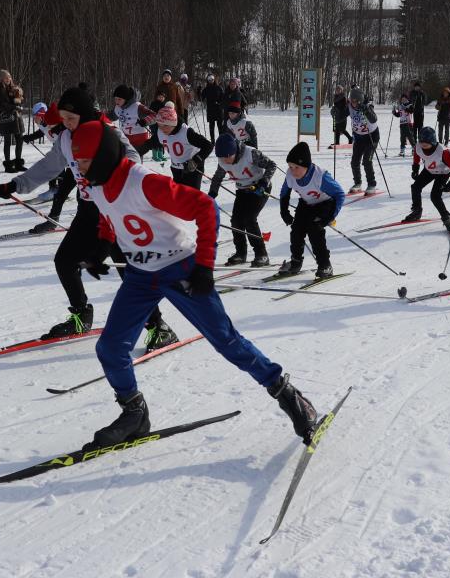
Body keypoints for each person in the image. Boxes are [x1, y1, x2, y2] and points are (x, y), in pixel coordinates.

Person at [66, 120, 320, 450]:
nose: (79, 168)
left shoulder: (143, 181)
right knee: (110, 348)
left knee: (226, 341)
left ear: (101, 156)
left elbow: (206, 208)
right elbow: (108, 216)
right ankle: (134, 414)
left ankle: (289, 395)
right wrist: (101, 248)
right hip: (141, 276)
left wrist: (203, 266)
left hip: (180, 268)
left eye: (84, 160)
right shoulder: (96, 185)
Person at [0, 86, 178, 350]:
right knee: (65, 261)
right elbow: (49, 166)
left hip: (115, 210)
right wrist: (15, 185)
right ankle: (81, 316)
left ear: (85, 115)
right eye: (63, 119)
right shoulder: (67, 138)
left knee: (128, 272)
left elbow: (133, 159)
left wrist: (110, 171)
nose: (65, 124)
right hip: (88, 209)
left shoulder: (107, 131)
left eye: (70, 118)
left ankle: (160, 328)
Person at [278, 141, 345, 279]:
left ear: (306, 166)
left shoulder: (320, 177)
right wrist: (284, 211)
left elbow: (340, 194)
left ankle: (325, 265)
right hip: (306, 203)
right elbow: (284, 193)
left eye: (296, 167)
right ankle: (296, 262)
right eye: (290, 166)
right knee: (296, 230)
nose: (292, 170)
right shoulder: (290, 175)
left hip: (325, 203)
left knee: (315, 231)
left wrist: (330, 216)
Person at [214, 132, 274, 267]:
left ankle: (261, 254)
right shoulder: (222, 160)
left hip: (259, 189)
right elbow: (218, 176)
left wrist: (263, 182)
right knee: (236, 221)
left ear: (234, 151)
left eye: (227, 157)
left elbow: (271, 165)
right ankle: (241, 253)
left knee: (249, 219)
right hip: (242, 190)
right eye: (221, 157)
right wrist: (212, 193)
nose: (224, 160)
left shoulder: (250, 153)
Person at [24, 102, 75, 234]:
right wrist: (29, 137)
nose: (34, 119)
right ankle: (54, 195)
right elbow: (42, 132)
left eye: (36, 116)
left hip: (70, 154)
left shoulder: (62, 127)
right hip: (62, 150)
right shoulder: (44, 123)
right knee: (59, 180)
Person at [404, 126, 450, 232]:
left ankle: (446, 218)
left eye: (426, 142)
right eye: (421, 142)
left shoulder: (443, 152)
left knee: (435, 196)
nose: (423, 145)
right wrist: (415, 169)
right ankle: (417, 211)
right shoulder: (418, 147)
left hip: (443, 173)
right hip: (429, 170)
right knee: (415, 187)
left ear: (433, 141)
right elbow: (417, 155)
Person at [146, 102, 211, 189]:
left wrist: (195, 160)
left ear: (172, 123)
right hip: (176, 169)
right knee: (178, 195)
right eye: (159, 125)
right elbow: (148, 144)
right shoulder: (160, 132)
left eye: (165, 125)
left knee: (191, 196)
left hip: (192, 169)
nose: (161, 129)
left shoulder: (186, 132)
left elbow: (208, 145)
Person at [348, 87, 380, 193]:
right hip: (359, 137)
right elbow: (341, 115)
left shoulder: (367, 106)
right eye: (351, 101)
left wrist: (365, 110)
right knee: (354, 161)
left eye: (355, 101)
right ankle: (357, 183)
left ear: (360, 100)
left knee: (367, 160)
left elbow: (374, 119)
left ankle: (372, 184)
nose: (353, 103)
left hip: (371, 137)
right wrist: (335, 112)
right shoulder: (349, 106)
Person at [0, 70, 25, 173]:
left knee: (19, 139)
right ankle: (8, 165)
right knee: (7, 141)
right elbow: (2, 104)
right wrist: (14, 107)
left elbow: (20, 100)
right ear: (2, 78)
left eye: (9, 77)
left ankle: (18, 163)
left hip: (16, 117)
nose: (8, 79)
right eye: (6, 77)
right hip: (6, 117)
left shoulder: (13, 87)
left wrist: (19, 98)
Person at [111, 84, 156, 151]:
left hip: (140, 136)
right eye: (115, 99)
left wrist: (145, 121)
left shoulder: (137, 107)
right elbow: (110, 116)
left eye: (119, 99)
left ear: (126, 99)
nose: (117, 101)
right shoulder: (117, 108)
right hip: (126, 136)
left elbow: (154, 115)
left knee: (136, 158)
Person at [201, 74, 225, 142]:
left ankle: (221, 140)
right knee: (211, 127)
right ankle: (212, 141)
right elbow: (201, 98)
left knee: (220, 126)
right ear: (207, 81)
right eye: (209, 80)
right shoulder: (206, 89)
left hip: (218, 110)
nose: (211, 81)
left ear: (214, 80)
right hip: (210, 110)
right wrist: (199, 91)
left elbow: (223, 98)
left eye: (212, 79)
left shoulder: (219, 88)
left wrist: (219, 103)